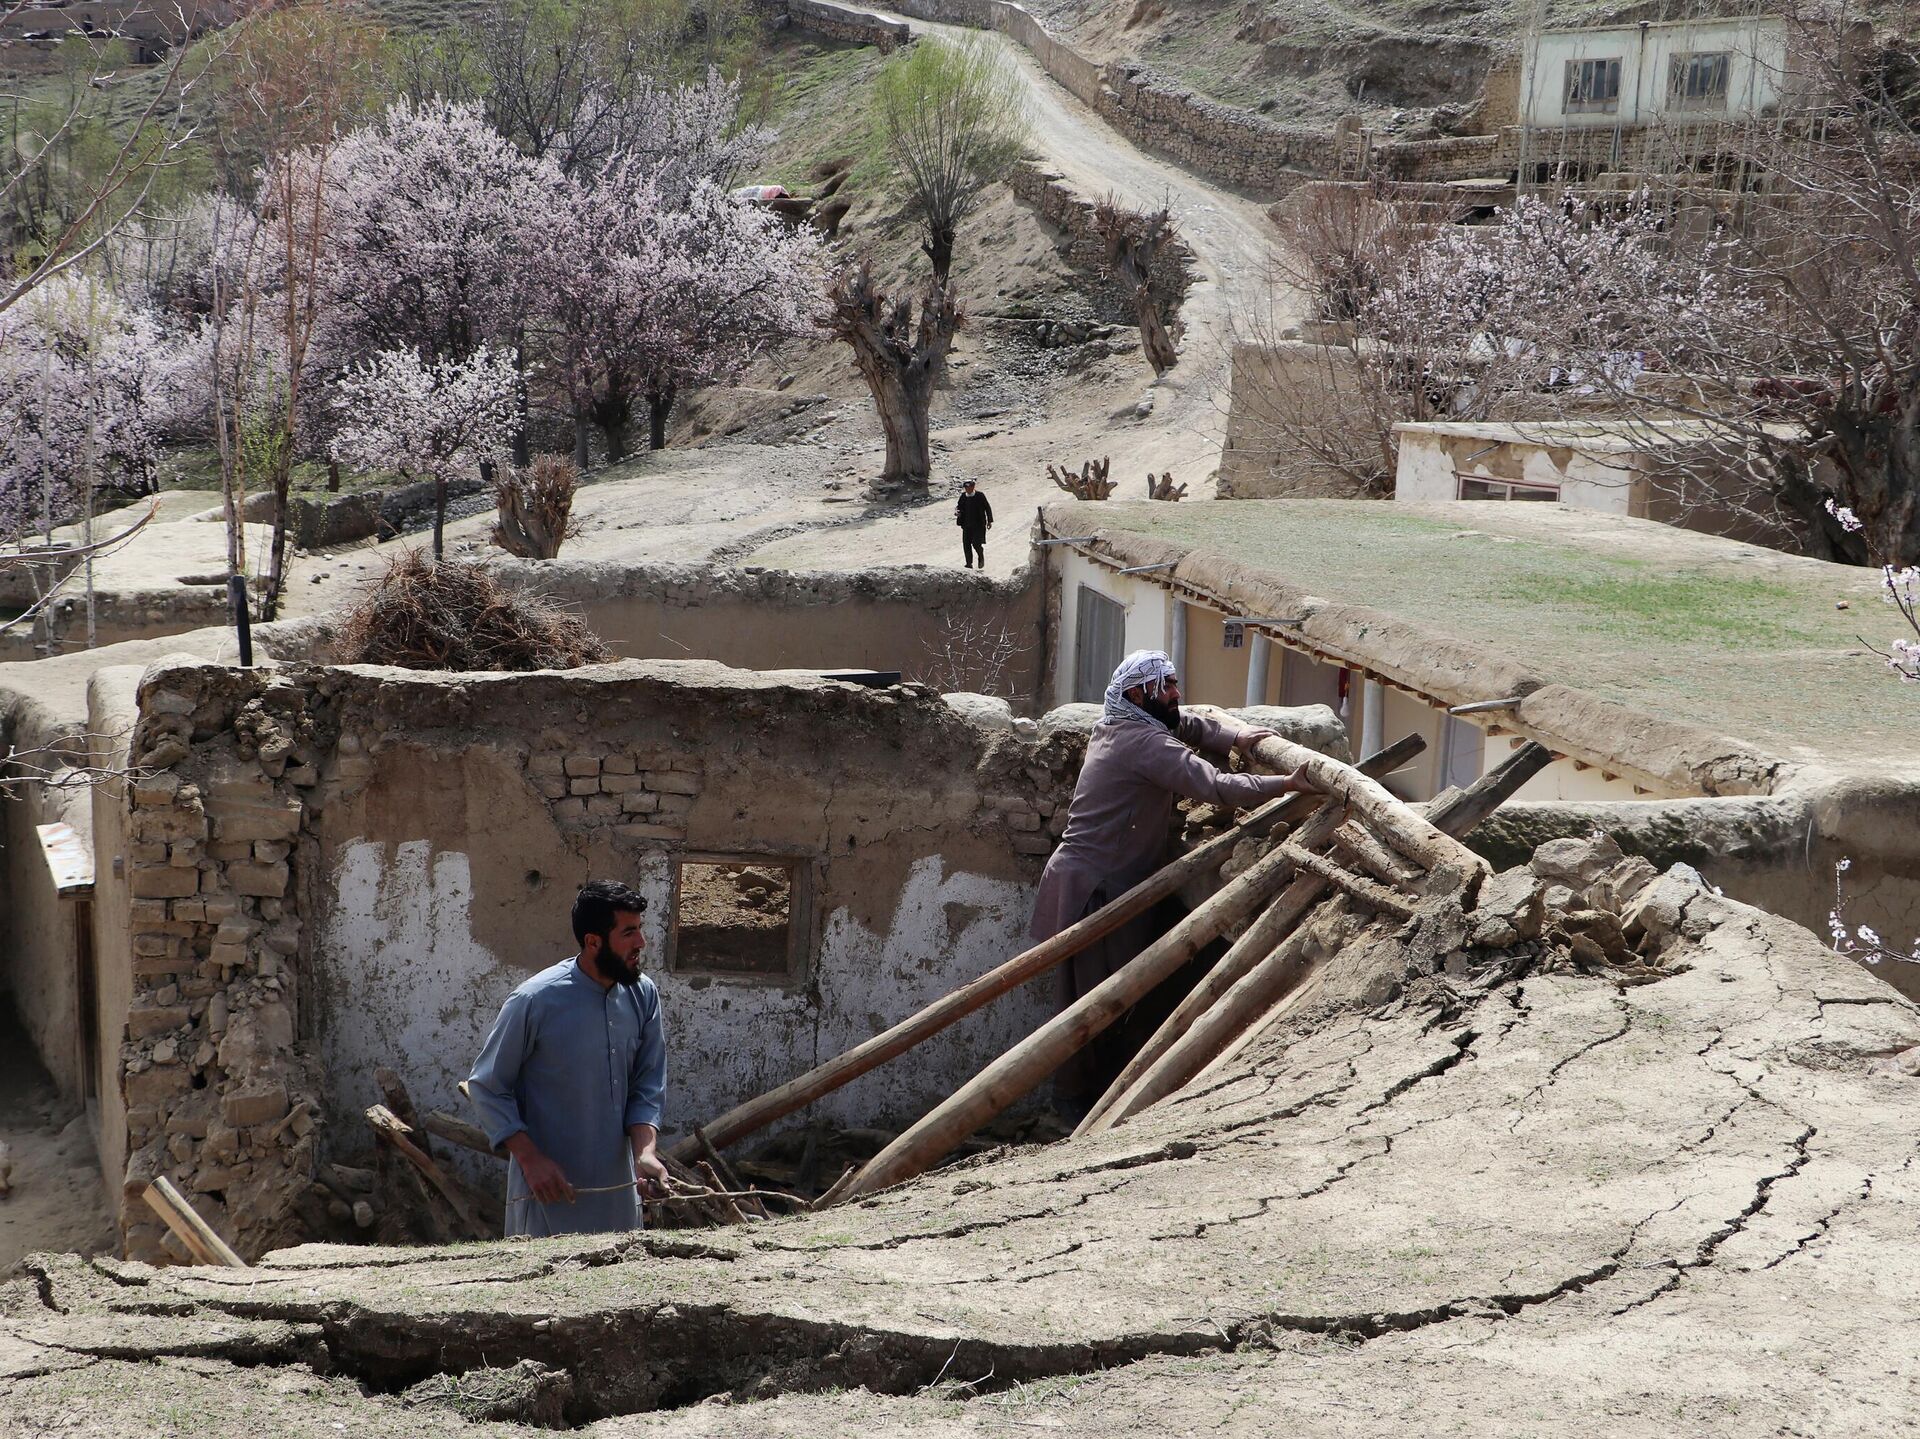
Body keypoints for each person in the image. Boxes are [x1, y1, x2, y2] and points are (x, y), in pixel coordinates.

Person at [1031, 650, 1317, 1118]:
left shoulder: (1126, 722)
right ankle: (1074, 1115)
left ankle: (1084, 1107)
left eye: (1172, 683)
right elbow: (1216, 786)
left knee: (1104, 1004)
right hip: (1095, 890)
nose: (1174, 693)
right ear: (1137, 694)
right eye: (1164, 686)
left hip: (1097, 880)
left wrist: (1237, 733)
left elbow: (1190, 723)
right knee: (1092, 1010)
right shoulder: (1143, 744)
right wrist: (1287, 784)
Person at [467, 879, 669, 1238]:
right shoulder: (534, 1000)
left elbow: (647, 1086)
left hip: (618, 1199)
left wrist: (645, 1155)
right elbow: (487, 1087)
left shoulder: (643, 995)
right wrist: (531, 1161)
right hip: (547, 1196)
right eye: (628, 933)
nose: (641, 943)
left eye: (640, 930)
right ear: (593, 941)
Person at [955, 479, 993, 568]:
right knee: (966, 544)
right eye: (966, 488)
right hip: (966, 525)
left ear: (973, 487)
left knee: (976, 543)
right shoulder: (963, 496)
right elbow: (958, 507)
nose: (967, 489)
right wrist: (957, 512)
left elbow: (987, 507)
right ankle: (969, 563)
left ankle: (980, 556)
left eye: (969, 487)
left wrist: (989, 521)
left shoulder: (980, 495)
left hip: (978, 525)